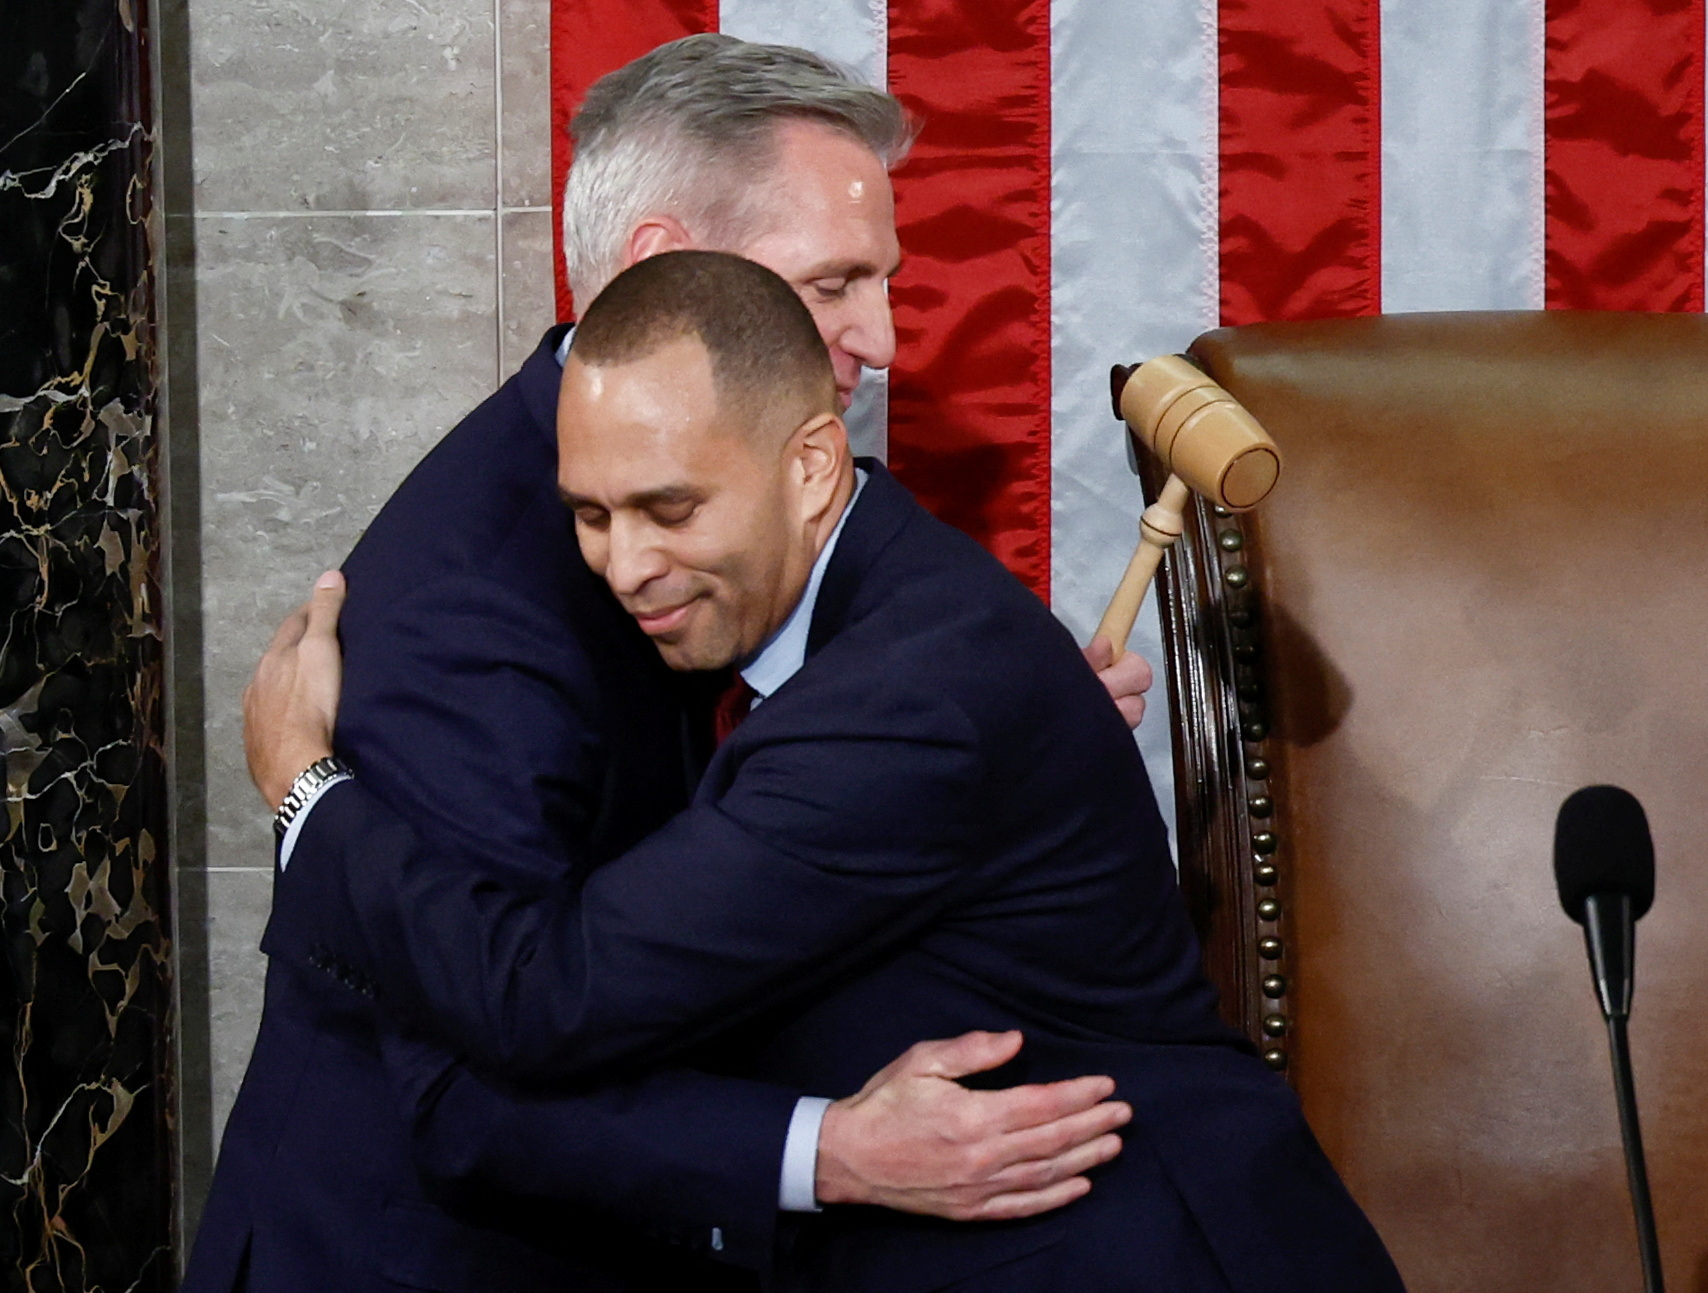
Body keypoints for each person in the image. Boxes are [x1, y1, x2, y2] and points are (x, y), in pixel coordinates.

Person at [184, 35, 1150, 1293]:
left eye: (883, 280)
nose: (885, 338)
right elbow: (477, 1080)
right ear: (665, 270)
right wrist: (831, 1154)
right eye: (834, 281)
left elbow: (774, 795)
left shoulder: (736, 512)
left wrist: (1003, 725)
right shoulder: (475, 611)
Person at [253, 250, 1407, 1293]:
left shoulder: (909, 700)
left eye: (669, 509)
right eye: (592, 517)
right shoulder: (869, 614)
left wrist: (307, 787)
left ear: (809, 465)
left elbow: (549, 993)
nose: (627, 564)